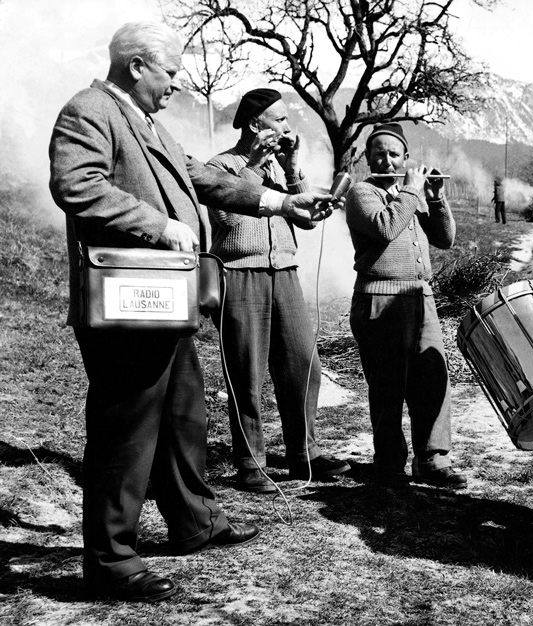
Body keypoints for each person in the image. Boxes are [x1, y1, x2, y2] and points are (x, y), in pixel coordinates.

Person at [48, 22, 335, 602]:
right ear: (136, 66)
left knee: (183, 414)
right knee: (126, 426)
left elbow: (203, 178)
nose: (177, 84)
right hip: (125, 300)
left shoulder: (146, 121)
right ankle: (111, 558)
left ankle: (193, 521)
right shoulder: (89, 110)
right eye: (171, 72)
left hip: (161, 299)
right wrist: (158, 224)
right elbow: (76, 185)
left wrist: (280, 201)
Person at [205, 88, 350, 492]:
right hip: (240, 273)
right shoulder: (221, 165)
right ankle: (251, 464)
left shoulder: (278, 167)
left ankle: (305, 454)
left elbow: (305, 220)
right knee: (246, 371)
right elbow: (229, 221)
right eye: (281, 119)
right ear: (257, 125)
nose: (288, 126)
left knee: (304, 364)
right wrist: (253, 167)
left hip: (284, 271)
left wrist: (291, 168)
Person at [345, 122, 467, 489]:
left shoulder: (408, 193)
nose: (386, 159)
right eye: (379, 153)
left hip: (420, 297)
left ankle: (432, 460)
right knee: (386, 384)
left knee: (432, 379)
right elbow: (385, 227)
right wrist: (412, 191)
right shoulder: (361, 192)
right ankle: (389, 461)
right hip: (379, 299)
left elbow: (445, 239)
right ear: (368, 158)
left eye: (394, 154)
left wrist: (436, 196)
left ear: (405, 158)